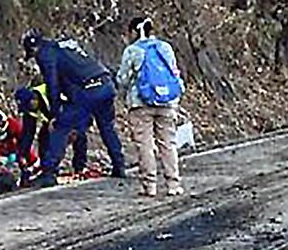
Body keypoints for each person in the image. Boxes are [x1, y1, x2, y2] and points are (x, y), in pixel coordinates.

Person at [22, 29, 125, 188]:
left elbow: (52, 84)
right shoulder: (67, 46)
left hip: (88, 90)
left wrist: (55, 114)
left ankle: (49, 173)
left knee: (61, 126)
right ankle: (119, 166)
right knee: (106, 127)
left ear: (34, 49)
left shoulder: (46, 54)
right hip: (106, 84)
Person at [116, 16, 185, 198]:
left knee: (145, 144)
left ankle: (150, 186)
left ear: (133, 32)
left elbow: (122, 79)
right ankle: (173, 184)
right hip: (168, 102)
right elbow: (174, 72)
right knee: (168, 143)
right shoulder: (165, 48)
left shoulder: (132, 50)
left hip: (140, 104)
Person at [13, 83, 88, 184]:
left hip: (74, 111)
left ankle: (79, 167)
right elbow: (28, 133)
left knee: (76, 135)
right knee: (44, 137)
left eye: (30, 107)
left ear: (34, 100)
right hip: (54, 119)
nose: (30, 110)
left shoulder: (52, 91)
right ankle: (47, 170)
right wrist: (22, 155)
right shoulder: (30, 107)